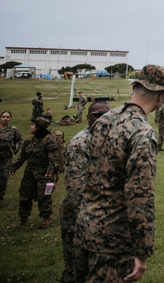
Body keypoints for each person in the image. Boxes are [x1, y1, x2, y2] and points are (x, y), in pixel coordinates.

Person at [74, 64, 164, 282]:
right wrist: (142, 250)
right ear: (160, 95)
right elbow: (140, 195)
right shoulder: (142, 132)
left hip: (84, 228)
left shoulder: (105, 119)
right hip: (112, 241)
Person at [60, 101, 110, 283]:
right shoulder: (80, 143)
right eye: (98, 115)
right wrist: (93, 221)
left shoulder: (107, 140)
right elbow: (76, 190)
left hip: (102, 214)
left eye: (107, 116)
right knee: (76, 271)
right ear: (89, 117)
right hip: (80, 217)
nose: (103, 119)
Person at [10, 116, 60, 228]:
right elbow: (22, 157)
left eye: (33, 125)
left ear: (39, 128)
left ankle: (46, 218)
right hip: (30, 172)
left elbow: (53, 158)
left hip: (44, 173)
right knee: (24, 195)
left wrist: (50, 172)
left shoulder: (49, 140)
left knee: (44, 196)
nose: (30, 127)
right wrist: (13, 168)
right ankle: (23, 219)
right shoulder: (29, 140)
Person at [0, 109, 23, 206]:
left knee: (4, 177)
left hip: (6, 157)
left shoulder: (13, 130)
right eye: (3, 117)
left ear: (10, 118)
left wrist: (16, 148)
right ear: (0, 118)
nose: (5, 119)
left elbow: (19, 140)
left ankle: (0, 198)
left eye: (7, 117)